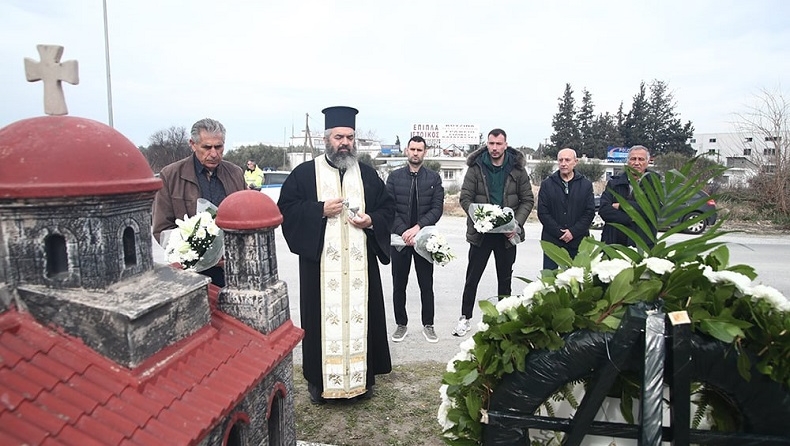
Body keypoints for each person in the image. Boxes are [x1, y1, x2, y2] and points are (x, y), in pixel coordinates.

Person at [277, 106, 395, 404]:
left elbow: (387, 209)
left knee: (362, 319)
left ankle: (361, 381)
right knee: (320, 322)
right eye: (339, 136)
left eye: (350, 137)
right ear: (326, 138)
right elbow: (286, 210)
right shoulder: (304, 174)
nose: (345, 143)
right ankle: (319, 383)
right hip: (321, 271)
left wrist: (372, 221)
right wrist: (318, 210)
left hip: (360, 268)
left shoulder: (367, 175)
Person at [454, 128, 534, 337]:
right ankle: (465, 318)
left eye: (499, 144)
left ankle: (503, 319)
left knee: (505, 278)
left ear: (505, 144)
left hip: (507, 235)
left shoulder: (517, 169)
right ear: (487, 144)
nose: (495, 148)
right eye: (491, 144)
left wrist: (515, 225)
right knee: (472, 277)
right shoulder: (476, 167)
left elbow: (527, 200)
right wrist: (480, 219)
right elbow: (465, 198)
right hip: (482, 234)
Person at [152, 118, 245, 287]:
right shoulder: (171, 175)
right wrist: (196, 254)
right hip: (189, 276)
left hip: (230, 271)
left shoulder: (235, 174)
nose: (214, 153)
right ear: (193, 144)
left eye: (219, 147)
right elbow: (162, 228)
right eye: (207, 147)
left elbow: (246, 220)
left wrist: (229, 254)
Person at [386, 136, 444, 343]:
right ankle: (401, 324)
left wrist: (417, 229)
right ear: (406, 150)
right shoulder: (394, 178)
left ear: (425, 152)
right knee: (398, 284)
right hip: (400, 241)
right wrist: (404, 231)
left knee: (426, 284)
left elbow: (437, 209)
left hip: (424, 240)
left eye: (420, 150)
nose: (416, 153)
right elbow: (389, 209)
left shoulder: (434, 178)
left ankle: (428, 325)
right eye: (412, 149)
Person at [537, 148, 596, 270]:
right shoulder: (547, 184)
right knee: (550, 282)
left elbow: (589, 212)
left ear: (575, 162)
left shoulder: (585, 185)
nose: (563, 163)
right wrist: (560, 232)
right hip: (553, 240)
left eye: (567, 160)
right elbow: (543, 212)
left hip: (578, 241)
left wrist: (573, 232)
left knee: (577, 280)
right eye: (560, 160)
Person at [598, 145, 661, 248]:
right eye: (633, 159)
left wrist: (621, 206)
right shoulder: (614, 184)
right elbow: (604, 210)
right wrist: (633, 218)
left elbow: (652, 210)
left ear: (648, 162)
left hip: (642, 244)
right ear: (628, 161)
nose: (636, 163)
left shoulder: (655, 185)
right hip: (613, 243)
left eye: (641, 159)